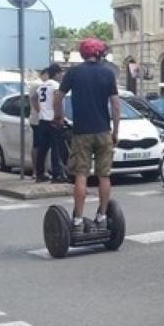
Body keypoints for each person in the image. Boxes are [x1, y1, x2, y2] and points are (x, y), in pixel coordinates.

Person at [54, 39, 120, 231]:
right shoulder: (108, 74)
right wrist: (116, 132)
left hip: (81, 132)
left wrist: (59, 116)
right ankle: (102, 216)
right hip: (103, 131)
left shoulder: (73, 73)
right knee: (104, 176)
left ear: (82, 54)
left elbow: (58, 96)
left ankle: (78, 219)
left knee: (81, 175)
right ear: (99, 54)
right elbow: (115, 105)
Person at [36, 64, 65, 183]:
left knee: (42, 149)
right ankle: (57, 175)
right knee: (56, 148)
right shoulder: (55, 85)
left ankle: (40, 173)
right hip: (53, 120)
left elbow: (33, 98)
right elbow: (57, 101)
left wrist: (40, 110)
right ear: (57, 73)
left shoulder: (42, 85)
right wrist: (59, 117)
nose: (61, 76)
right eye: (61, 74)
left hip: (42, 120)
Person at [29, 68, 48, 180]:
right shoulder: (39, 84)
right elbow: (34, 99)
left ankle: (38, 170)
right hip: (38, 119)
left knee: (38, 145)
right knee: (39, 146)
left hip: (35, 118)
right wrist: (41, 112)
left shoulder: (35, 84)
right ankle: (37, 170)